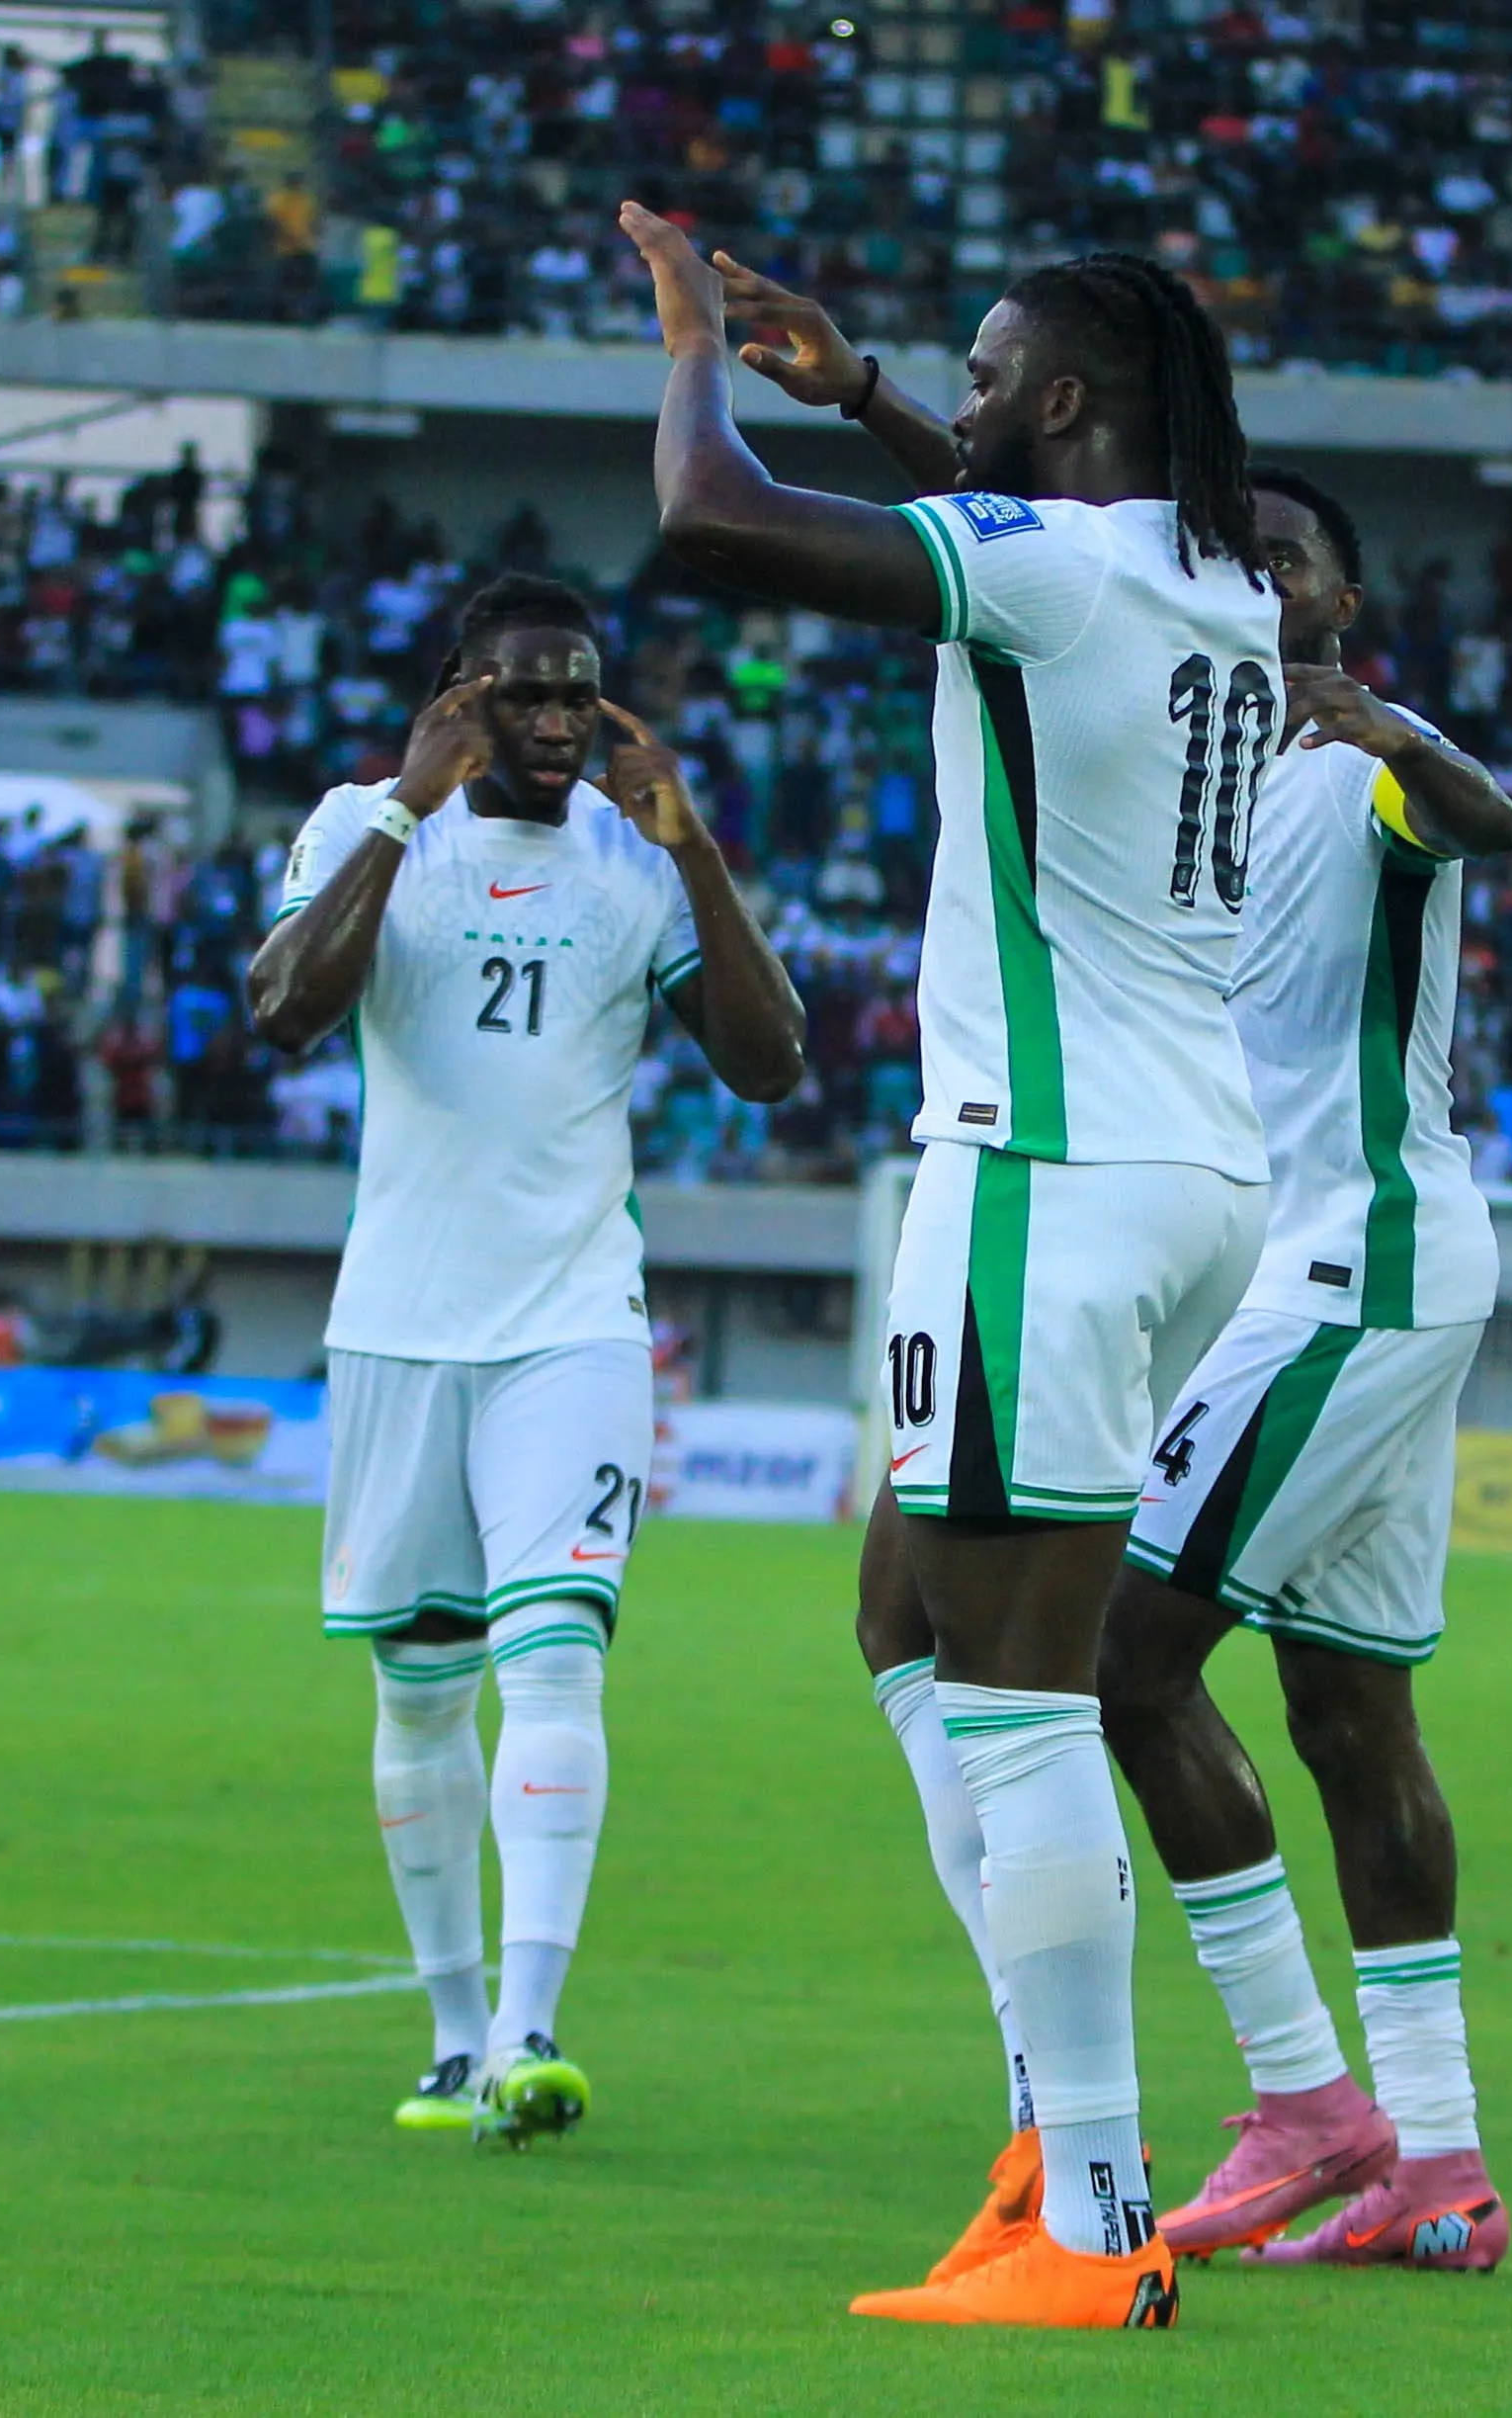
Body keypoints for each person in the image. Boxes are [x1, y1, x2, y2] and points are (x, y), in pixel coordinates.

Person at [624, 204, 1275, 2327]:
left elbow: (706, 527)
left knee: (1013, 1692)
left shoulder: (1055, 569)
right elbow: (1020, 540)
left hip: (1036, 1175)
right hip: (1192, 1172)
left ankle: (1086, 2208)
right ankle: (1049, 2122)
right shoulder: (1220, 584)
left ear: (1067, 402)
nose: (967, 397)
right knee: (911, 1605)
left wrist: (694, 339)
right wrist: (881, 403)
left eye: (991, 371)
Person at [247, 572, 806, 2148]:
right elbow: (282, 1007)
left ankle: (528, 2029)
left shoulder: (639, 864)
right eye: (522, 690)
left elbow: (769, 1063)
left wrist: (694, 844)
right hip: (400, 1325)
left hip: (574, 1321)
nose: (556, 718)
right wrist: (403, 812)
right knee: (420, 1688)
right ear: (455, 695)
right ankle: (446, 2032)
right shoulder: (362, 822)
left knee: (553, 1656)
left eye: (578, 690)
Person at [1102, 467, 1512, 2271]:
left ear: (1339, 603)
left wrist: (1386, 733)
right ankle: (1439, 2164)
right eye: (1225, 560)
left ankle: (1303, 2098)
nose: (1255, 588)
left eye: (1286, 564)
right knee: (1352, 1719)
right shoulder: (1176, 779)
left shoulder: (1367, 758)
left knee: (1125, 1659)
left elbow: (1485, 821)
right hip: (1317, 1274)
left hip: (1359, 1266)